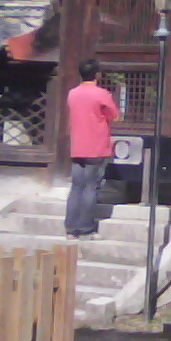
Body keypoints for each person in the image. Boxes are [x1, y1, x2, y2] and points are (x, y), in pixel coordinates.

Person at [64, 57, 120, 238]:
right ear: (97, 74)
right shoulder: (101, 94)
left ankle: (71, 228)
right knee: (91, 188)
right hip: (96, 146)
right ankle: (85, 229)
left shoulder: (72, 93)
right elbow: (114, 115)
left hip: (77, 146)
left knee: (76, 187)